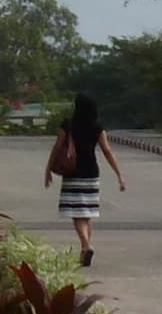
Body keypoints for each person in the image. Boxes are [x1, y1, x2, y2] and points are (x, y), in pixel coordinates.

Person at [43, 92, 126, 268]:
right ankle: (84, 250)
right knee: (87, 213)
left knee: (76, 213)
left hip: (73, 172)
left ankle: (86, 244)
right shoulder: (97, 126)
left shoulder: (68, 125)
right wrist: (119, 174)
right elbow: (107, 151)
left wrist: (48, 169)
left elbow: (57, 147)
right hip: (91, 173)